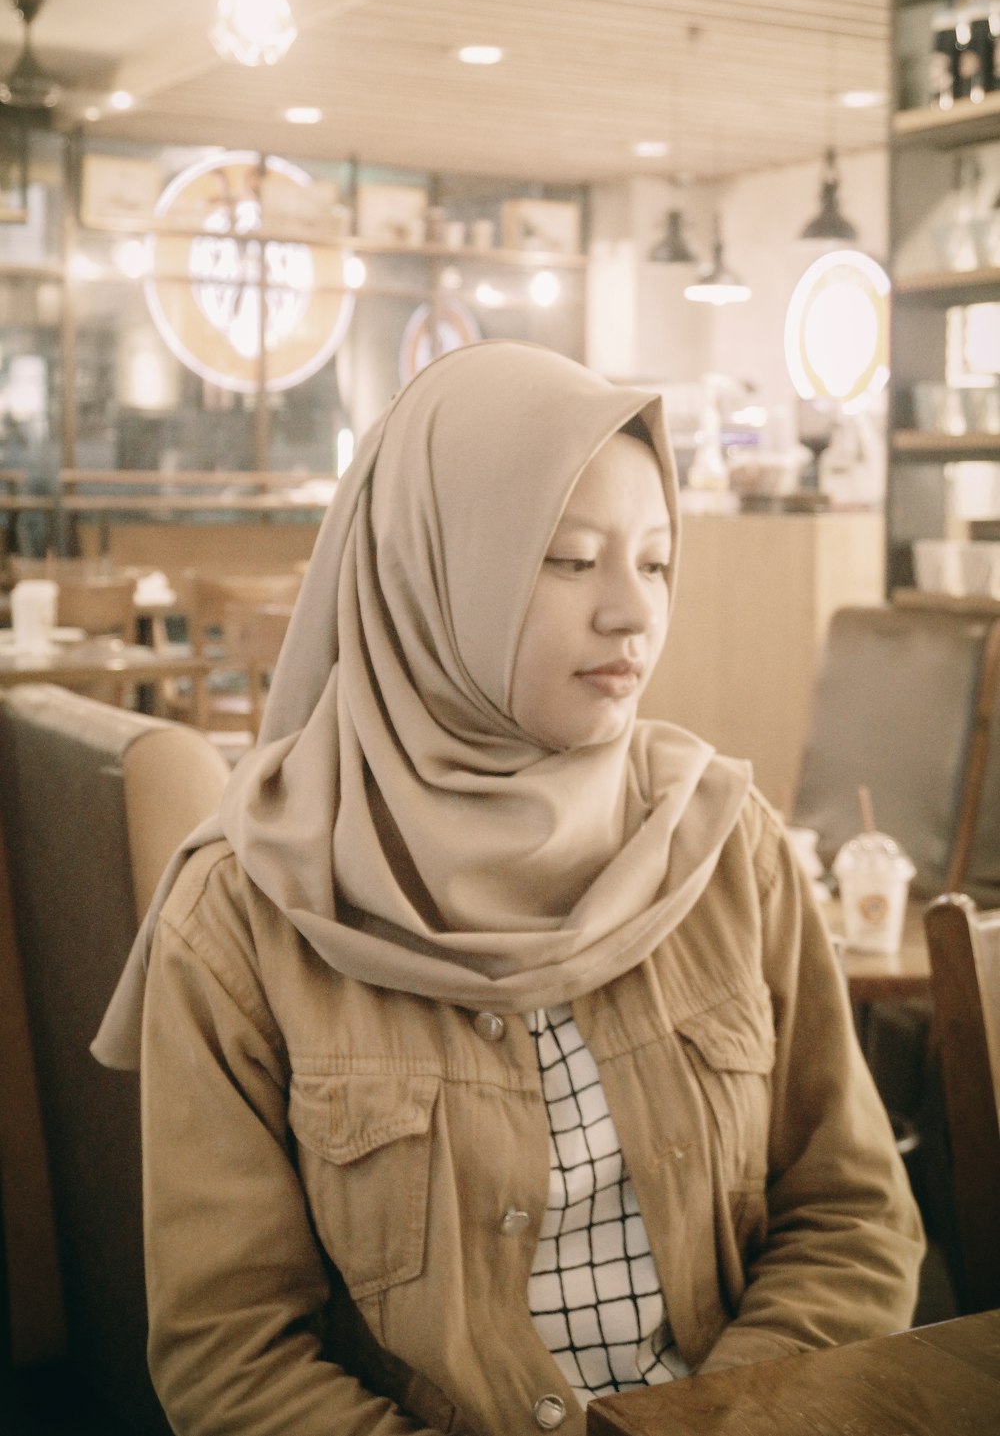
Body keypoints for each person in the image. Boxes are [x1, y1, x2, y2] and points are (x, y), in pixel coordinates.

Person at [95, 340, 923, 1436]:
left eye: (658, 561)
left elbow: (852, 1214)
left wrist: (724, 1419)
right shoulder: (247, 915)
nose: (632, 612)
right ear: (431, 574)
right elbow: (232, 1354)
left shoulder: (724, 845)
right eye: (572, 561)